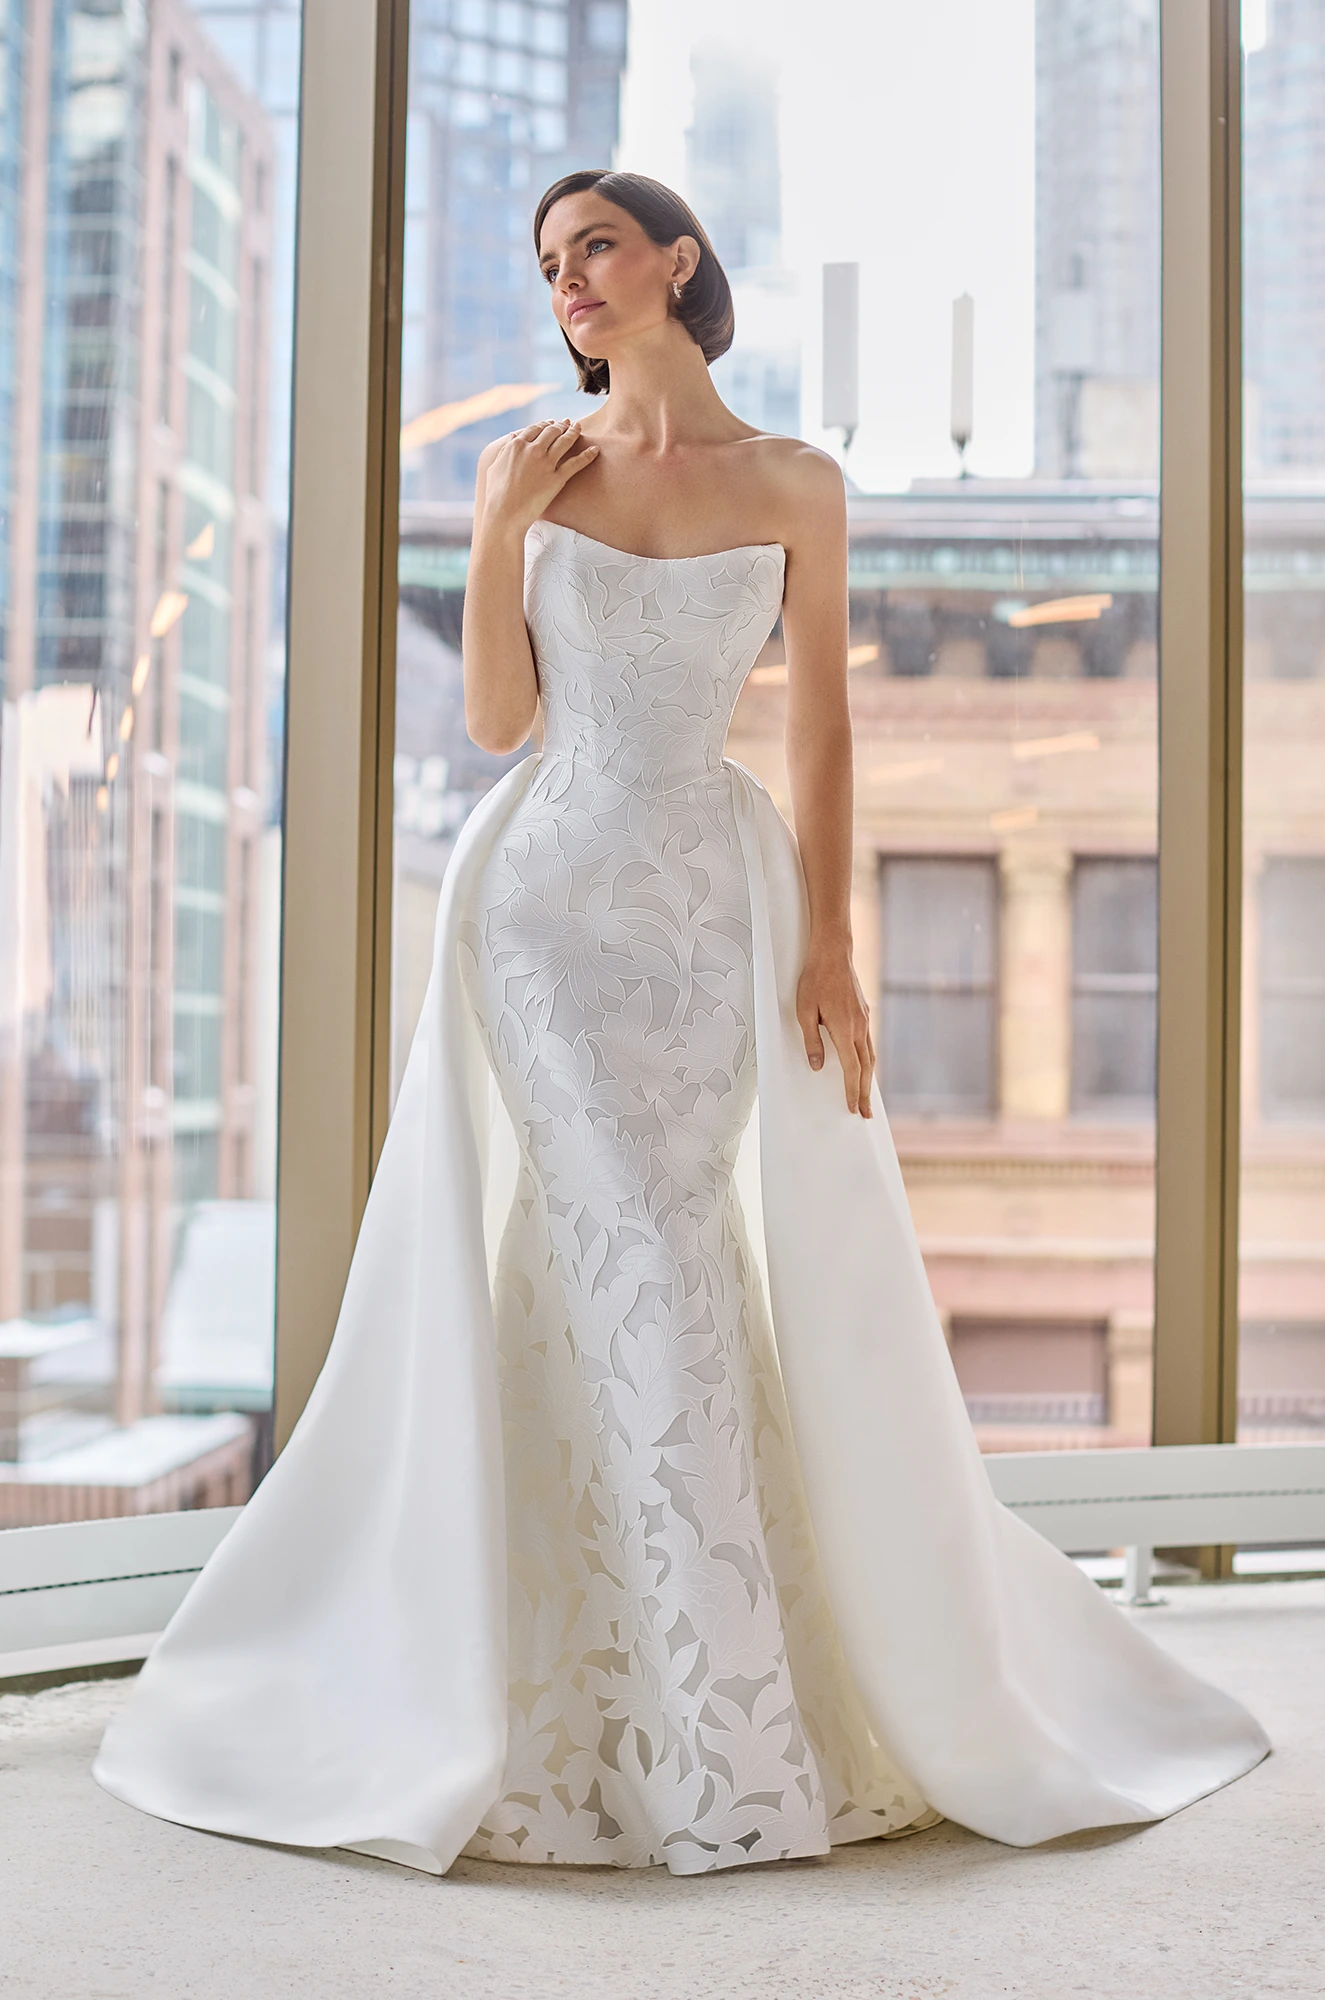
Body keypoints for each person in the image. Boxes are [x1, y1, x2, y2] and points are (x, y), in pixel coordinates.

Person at [94, 169, 1268, 1876]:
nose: (567, 283)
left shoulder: (794, 481)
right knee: (610, 1239)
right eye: (549, 265)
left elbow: (824, 733)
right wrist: (499, 527)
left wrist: (833, 943)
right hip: (549, 910)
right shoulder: (536, 478)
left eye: (596, 251)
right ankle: (643, 1709)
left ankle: (701, 1690)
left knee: (674, 1245)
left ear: (678, 263)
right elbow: (503, 720)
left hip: (715, 905)